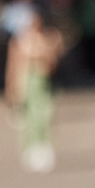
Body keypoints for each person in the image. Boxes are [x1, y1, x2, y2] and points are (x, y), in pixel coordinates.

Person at [5, 10, 65, 172]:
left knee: (45, 114)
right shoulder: (20, 41)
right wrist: (11, 88)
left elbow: (53, 62)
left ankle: (44, 146)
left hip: (42, 81)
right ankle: (31, 148)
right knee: (29, 117)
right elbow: (13, 65)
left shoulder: (48, 38)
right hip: (26, 82)